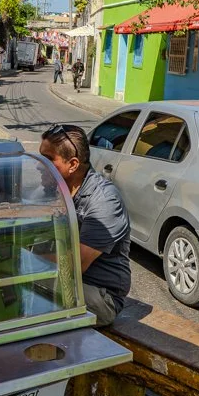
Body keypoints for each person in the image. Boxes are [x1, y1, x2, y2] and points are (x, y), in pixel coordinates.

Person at [40, 125, 131, 327]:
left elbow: (74, 265)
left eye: (48, 160)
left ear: (72, 164)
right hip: (66, 283)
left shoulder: (105, 201)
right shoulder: (56, 190)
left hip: (100, 297)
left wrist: (24, 263)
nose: (39, 165)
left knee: (24, 283)